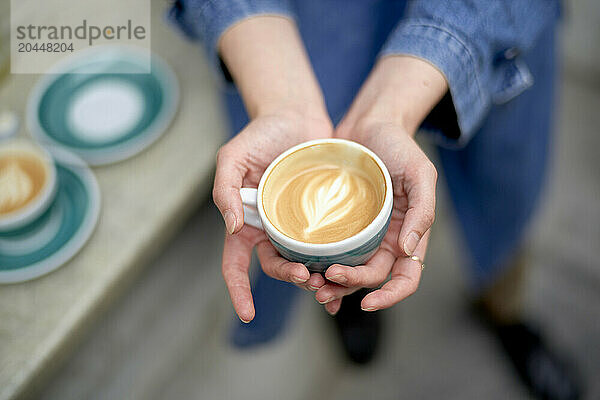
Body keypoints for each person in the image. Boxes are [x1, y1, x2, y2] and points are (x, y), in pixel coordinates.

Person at [169, 1, 581, 399]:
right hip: (310, 28)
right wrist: (280, 98)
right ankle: (351, 288)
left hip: (492, 19)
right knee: (354, 234)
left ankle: (506, 309)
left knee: (503, 190)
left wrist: (436, 53)